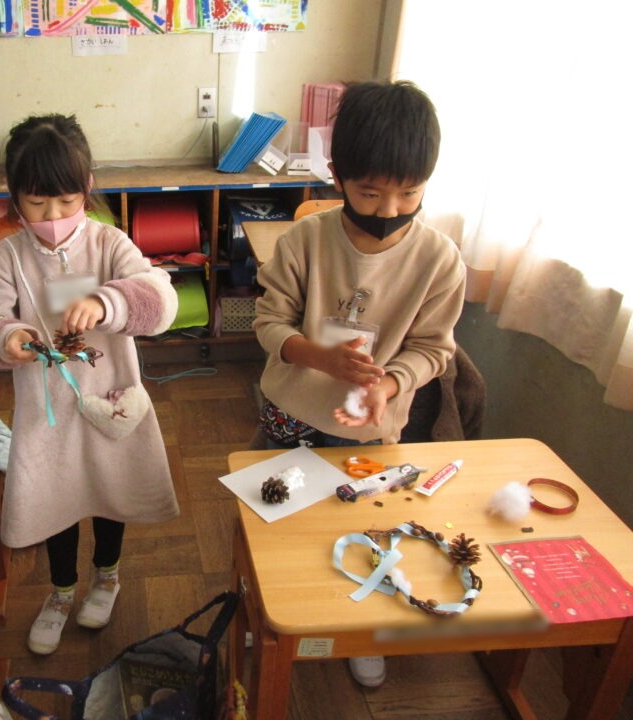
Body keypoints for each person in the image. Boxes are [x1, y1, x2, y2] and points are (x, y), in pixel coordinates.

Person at [252, 80, 466, 687]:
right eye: (370, 192)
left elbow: (434, 350)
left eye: (410, 193)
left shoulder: (439, 259)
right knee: (280, 513)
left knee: (365, 525)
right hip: (291, 411)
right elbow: (268, 323)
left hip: (371, 425)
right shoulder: (304, 241)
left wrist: (389, 385)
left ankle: (360, 622)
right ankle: (274, 608)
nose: (389, 209)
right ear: (337, 176)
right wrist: (318, 357)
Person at [0, 114, 179, 655]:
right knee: (55, 500)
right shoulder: (9, 255)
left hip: (110, 402)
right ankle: (60, 592)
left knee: (110, 494)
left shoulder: (109, 243)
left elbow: (160, 299)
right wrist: (7, 336)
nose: (54, 216)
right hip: (49, 411)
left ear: (87, 187)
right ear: (15, 197)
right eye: (37, 204)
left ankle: (107, 578)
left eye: (66, 201)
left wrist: (107, 301)